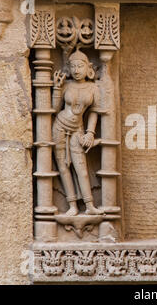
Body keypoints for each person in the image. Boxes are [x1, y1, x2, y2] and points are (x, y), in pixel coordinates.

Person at [52, 49, 105, 216]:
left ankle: (89, 206)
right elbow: (54, 109)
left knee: (80, 167)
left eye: (80, 66)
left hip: (78, 129)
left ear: (88, 68)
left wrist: (90, 133)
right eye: (73, 66)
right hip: (59, 126)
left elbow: (95, 111)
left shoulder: (93, 87)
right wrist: (56, 89)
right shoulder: (66, 85)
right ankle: (72, 205)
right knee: (63, 166)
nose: (76, 70)